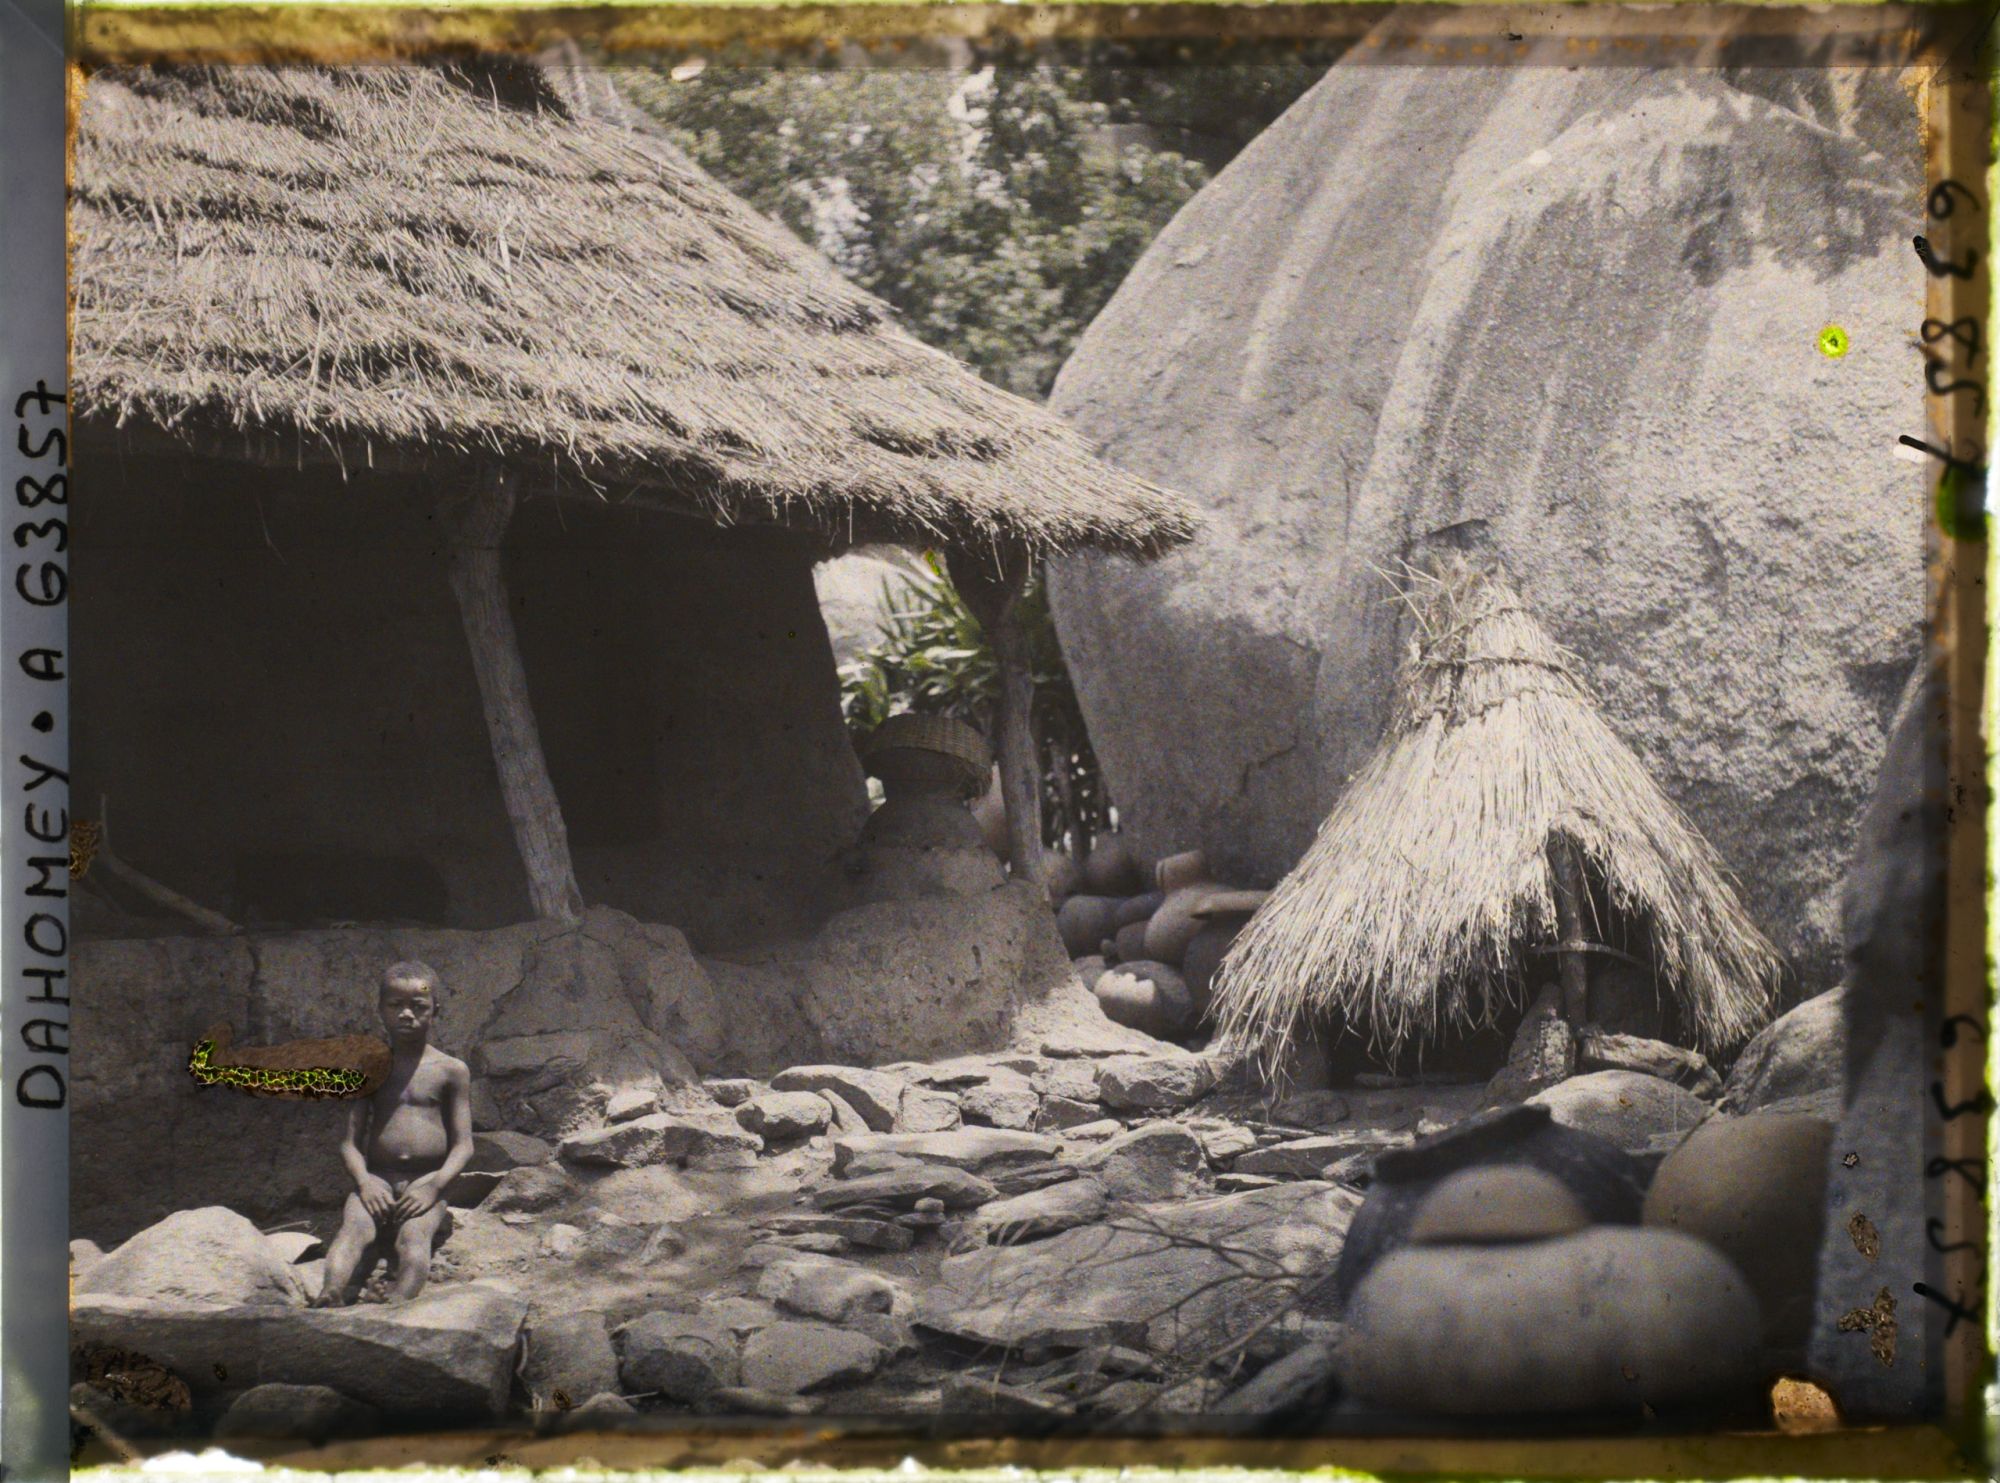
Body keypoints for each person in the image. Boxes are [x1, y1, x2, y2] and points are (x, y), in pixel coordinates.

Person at [311, 961, 473, 1306]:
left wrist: (435, 1186)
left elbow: (463, 1146)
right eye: (395, 1005)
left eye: (418, 1006)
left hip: (425, 1181)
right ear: (380, 1010)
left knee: (414, 1238)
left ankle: (398, 1300)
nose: (406, 1014)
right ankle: (331, 1293)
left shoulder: (452, 1071)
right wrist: (365, 1182)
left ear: (435, 1011)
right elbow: (349, 1143)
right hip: (378, 1180)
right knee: (354, 1231)